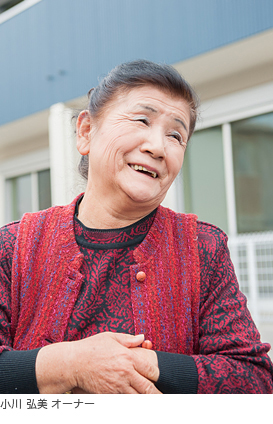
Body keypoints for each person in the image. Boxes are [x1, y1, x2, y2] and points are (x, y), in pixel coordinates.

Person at [0, 60, 273, 394]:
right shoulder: (14, 245)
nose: (157, 147)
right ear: (86, 131)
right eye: (142, 119)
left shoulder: (203, 248)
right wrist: (71, 363)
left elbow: (253, 379)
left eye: (176, 135)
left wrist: (140, 365)